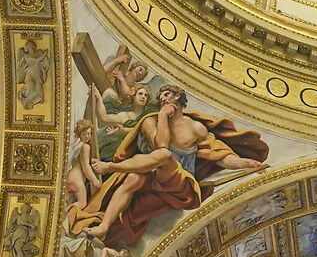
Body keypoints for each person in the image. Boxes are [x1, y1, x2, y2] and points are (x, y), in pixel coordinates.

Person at [70, 86, 268, 247]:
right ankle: (104, 226)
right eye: (161, 97)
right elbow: (160, 143)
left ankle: (111, 167)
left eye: (167, 95)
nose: (163, 99)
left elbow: (220, 156)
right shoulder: (150, 122)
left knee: (165, 156)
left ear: (178, 96)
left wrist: (247, 163)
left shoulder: (196, 128)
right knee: (132, 178)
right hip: (151, 173)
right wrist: (162, 117)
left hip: (179, 183)